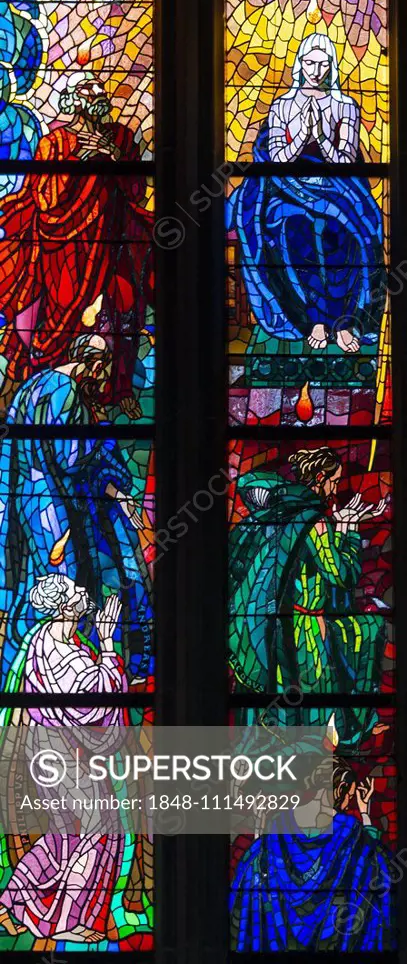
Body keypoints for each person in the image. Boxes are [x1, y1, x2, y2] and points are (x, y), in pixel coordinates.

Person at [0, 575, 149, 943]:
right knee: (101, 825)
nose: (84, 594)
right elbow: (89, 702)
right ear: (66, 608)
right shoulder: (57, 649)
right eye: (76, 593)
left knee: (65, 833)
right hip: (55, 749)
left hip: (55, 745)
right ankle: (68, 919)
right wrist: (109, 642)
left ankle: (11, 903)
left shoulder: (58, 639)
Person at [0, 72, 154, 417]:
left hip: (112, 244)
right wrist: (80, 162)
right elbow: (46, 199)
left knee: (122, 313)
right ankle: (44, 390)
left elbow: (135, 191)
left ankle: (117, 389)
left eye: (100, 89)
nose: (99, 94)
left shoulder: (121, 138)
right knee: (60, 316)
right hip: (64, 251)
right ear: (73, 99)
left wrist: (113, 158)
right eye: (90, 89)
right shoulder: (53, 144)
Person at [0, 336, 152, 682]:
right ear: (93, 362)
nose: (99, 379)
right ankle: (65, 673)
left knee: (34, 582)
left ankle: (25, 665)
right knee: (70, 585)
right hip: (57, 506)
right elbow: (72, 458)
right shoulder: (67, 390)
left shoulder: (31, 386)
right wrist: (102, 438)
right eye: (100, 370)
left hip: (28, 501)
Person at [230, 34, 385, 355]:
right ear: (299, 64)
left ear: (332, 67)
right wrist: (302, 134)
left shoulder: (345, 106)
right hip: (287, 191)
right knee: (295, 226)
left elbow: (345, 160)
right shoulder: (282, 106)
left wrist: (321, 138)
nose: (316, 70)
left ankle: (344, 321)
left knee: (344, 232)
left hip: (339, 189)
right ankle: (314, 319)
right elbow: (275, 159)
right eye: (310, 62)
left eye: (323, 63)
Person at [228, 446, 388, 746]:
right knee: (317, 689)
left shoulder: (281, 513)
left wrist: (337, 526)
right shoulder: (314, 520)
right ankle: (312, 758)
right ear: (319, 478)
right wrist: (350, 530)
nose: (335, 488)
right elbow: (341, 575)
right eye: (334, 481)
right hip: (304, 631)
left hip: (277, 623)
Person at [230, 756, 391, 951]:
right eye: (350, 795)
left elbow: (257, 868)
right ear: (340, 789)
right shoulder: (351, 829)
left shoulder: (280, 822)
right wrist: (365, 815)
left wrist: (258, 830)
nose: (349, 804)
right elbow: (376, 864)